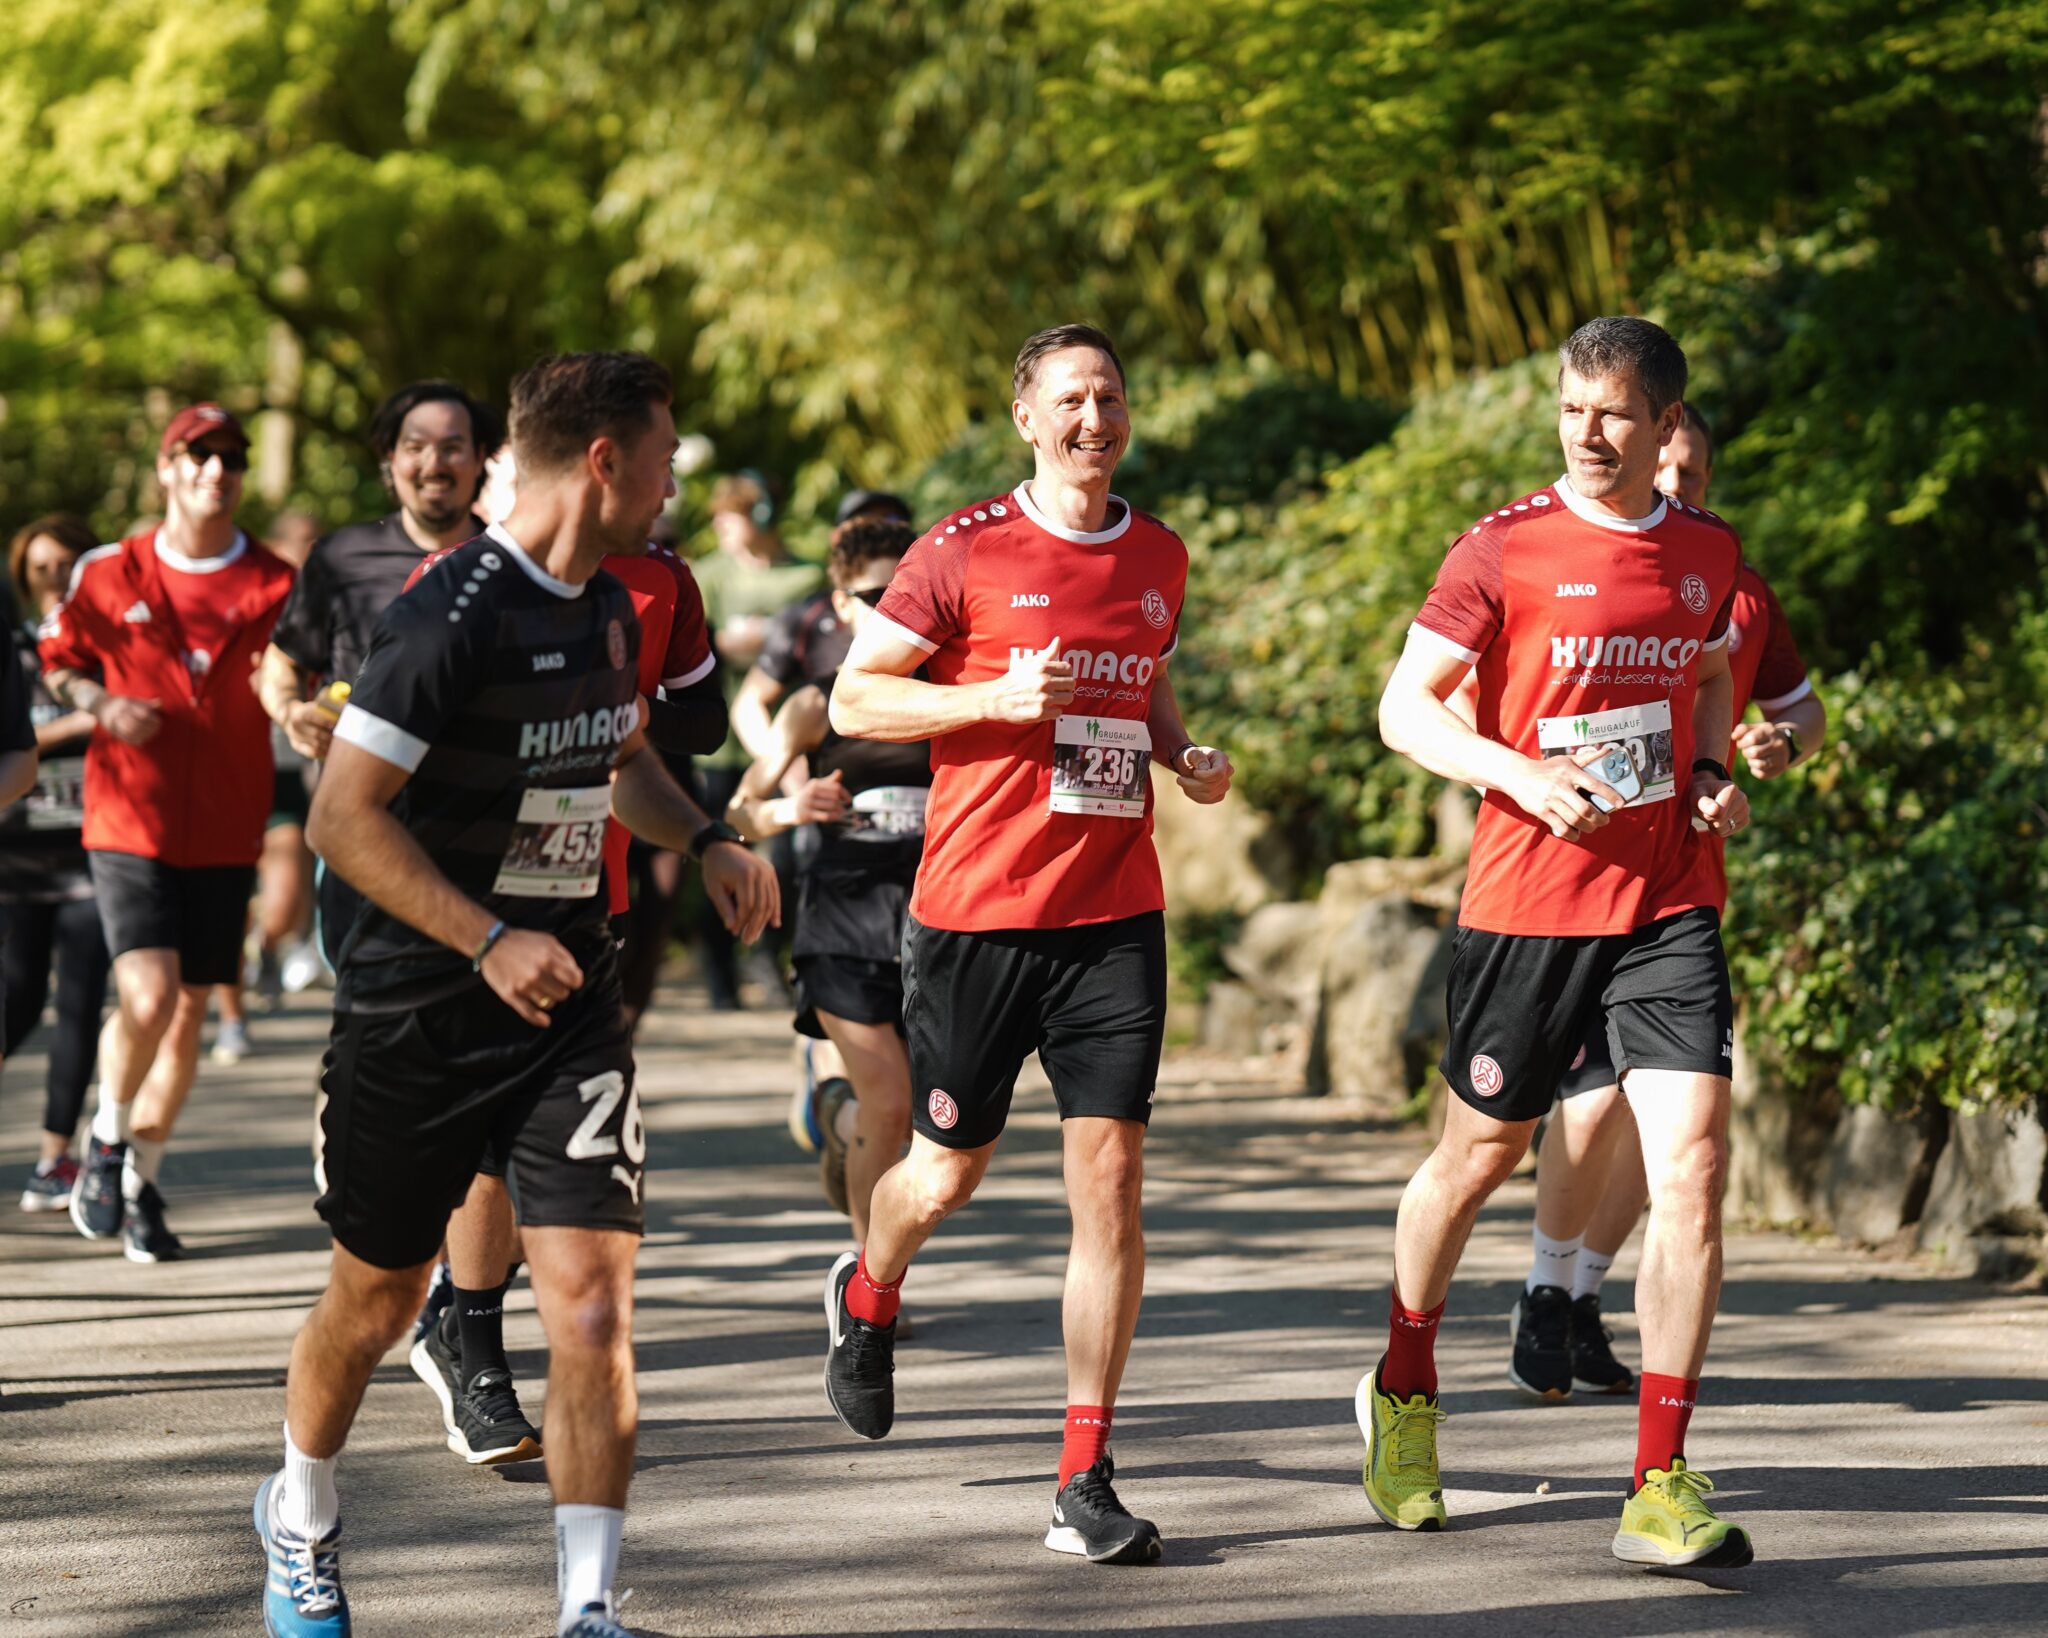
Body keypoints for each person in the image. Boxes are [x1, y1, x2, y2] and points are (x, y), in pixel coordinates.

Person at [254, 351, 778, 1638]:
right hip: (419, 1007)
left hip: (568, 1002)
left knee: (592, 1303)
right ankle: (300, 1508)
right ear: (601, 462)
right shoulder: (448, 617)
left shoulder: (612, 604)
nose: (668, 489)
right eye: (658, 463)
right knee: (374, 1301)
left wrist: (703, 836)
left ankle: (589, 1609)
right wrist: (484, 937)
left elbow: (625, 758)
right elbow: (341, 817)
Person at [822, 323, 1232, 1565]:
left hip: (1113, 919)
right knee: (942, 1177)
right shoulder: (962, 551)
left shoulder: (1156, 552)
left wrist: (1177, 750)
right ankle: (866, 1290)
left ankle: (1084, 1474)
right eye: (1070, 398)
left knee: (1109, 1192)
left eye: (1110, 395)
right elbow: (854, 699)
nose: (1093, 417)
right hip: (978, 916)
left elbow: (1139, 678)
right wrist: (989, 700)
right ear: (1026, 419)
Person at [1368, 316, 1755, 1569]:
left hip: (1663, 899)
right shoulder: (1504, 546)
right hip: (1526, 901)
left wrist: (1703, 766)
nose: (1588, 436)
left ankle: (1657, 1478)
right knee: (1474, 1162)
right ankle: (1404, 1383)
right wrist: (1513, 774)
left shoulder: (1705, 552)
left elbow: (1705, 673)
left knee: (1690, 1164)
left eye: (1614, 416)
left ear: (1662, 430)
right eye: (1571, 410)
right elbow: (1402, 708)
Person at [394, 442, 726, 1469]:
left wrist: (608, 717)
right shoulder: (454, 586)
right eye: (659, 461)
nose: (671, 486)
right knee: (476, 1149)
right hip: (473, 911)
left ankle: (482, 1331)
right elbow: (382, 771)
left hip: (598, 890)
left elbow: (701, 722)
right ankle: (470, 1345)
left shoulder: (658, 581)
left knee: (563, 1150)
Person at [1508, 401, 1827, 1402]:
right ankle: (1544, 1284)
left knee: (1672, 1131)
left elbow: (1795, 710)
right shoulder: (1563, 557)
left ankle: (1584, 1297)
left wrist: (1773, 751)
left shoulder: (1730, 586)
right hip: (1566, 887)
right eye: (1668, 469)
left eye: (1693, 477)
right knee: (1589, 1105)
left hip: (1682, 892)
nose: (1677, 489)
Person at [41, 403, 294, 1263]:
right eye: (197, 455)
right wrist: (102, 704)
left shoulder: (276, 581)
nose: (214, 470)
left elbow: (303, 683)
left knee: (187, 1016)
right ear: (166, 467)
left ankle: (140, 1181)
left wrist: (297, 709)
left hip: (226, 827)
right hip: (128, 819)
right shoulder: (110, 571)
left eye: (230, 456)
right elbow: (62, 661)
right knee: (147, 995)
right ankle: (105, 1141)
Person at [725, 516, 924, 1243]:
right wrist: (790, 807)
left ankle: (838, 1117)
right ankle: (874, 1288)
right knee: (892, 1104)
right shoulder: (817, 703)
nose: (894, 604)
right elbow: (739, 814)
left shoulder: (954, 698)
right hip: (842, 920)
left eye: (909, 588)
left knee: (922, 1116)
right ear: (841, 604)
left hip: (935, 923)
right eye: (876, 592)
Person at [4, 517, 110, 1212]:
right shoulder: (10, 648)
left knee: (78, 1007)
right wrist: (81, 722)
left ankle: (54, 1159)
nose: (54, 578)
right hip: (12, 857)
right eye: (40, 567)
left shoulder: (109, 651)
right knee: (13, 1002)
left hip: (90, 851)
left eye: (67, 564)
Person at [689, 472, 823, 1009]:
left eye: (731, 518)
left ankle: (768, 952)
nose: (721, 528)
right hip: (723, 739)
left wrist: (768, 642)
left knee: (785, 852)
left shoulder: (804, 576)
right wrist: (725, 642)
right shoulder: (707, 575)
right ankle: (720, 979)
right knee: (719, 847)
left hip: (787, 736)